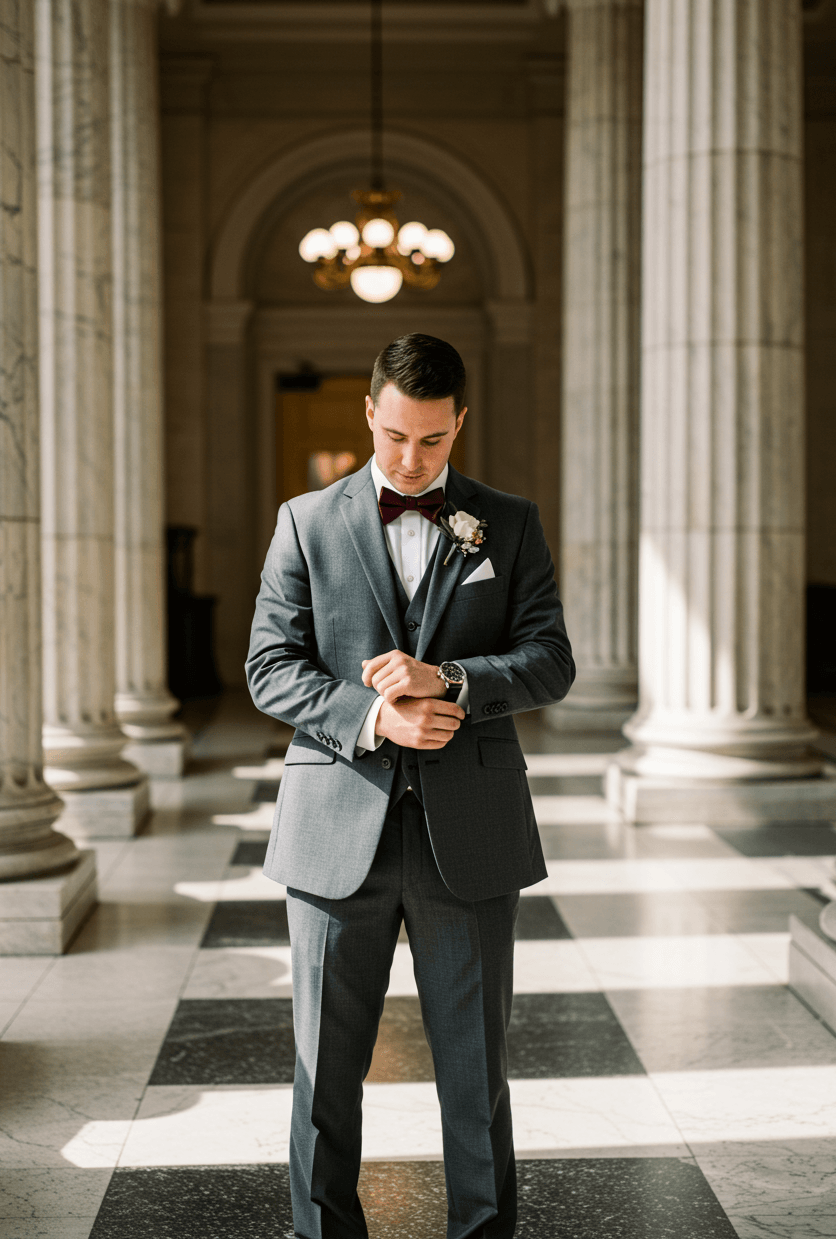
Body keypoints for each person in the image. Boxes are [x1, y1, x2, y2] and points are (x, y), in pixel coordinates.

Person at [247, 332, 574, 1239]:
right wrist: (371, 717)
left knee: (477, 1075)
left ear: (460, 422)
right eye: (395, 437)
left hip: (467, 837)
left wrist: (454, 681)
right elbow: (268, 667)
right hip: (332, 832)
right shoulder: (305, 521)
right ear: (369, 415)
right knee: (324, 1077)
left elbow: (550, 661)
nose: (411, 458)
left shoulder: (506, 522)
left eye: (432, 441)